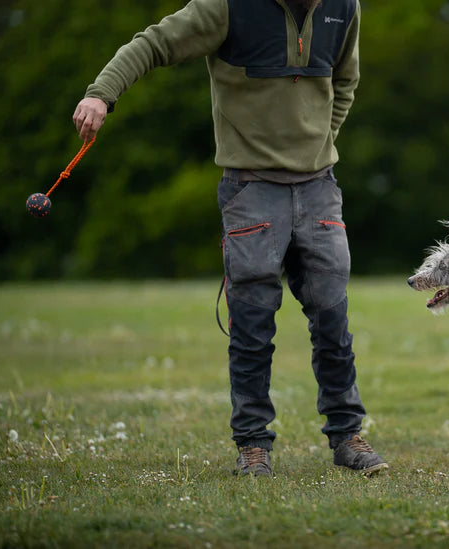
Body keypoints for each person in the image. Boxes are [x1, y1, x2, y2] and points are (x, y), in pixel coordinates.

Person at [73, 0, 387, 477]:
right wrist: (101, 94)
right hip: (250, 189)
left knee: (332, 321)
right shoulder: (227, 6)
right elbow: (153, 43)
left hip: (319, 186)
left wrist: (321, 142)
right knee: (252, 326)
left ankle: (347, 437)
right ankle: (253, 445)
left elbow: (345, 80)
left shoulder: (344, 7)